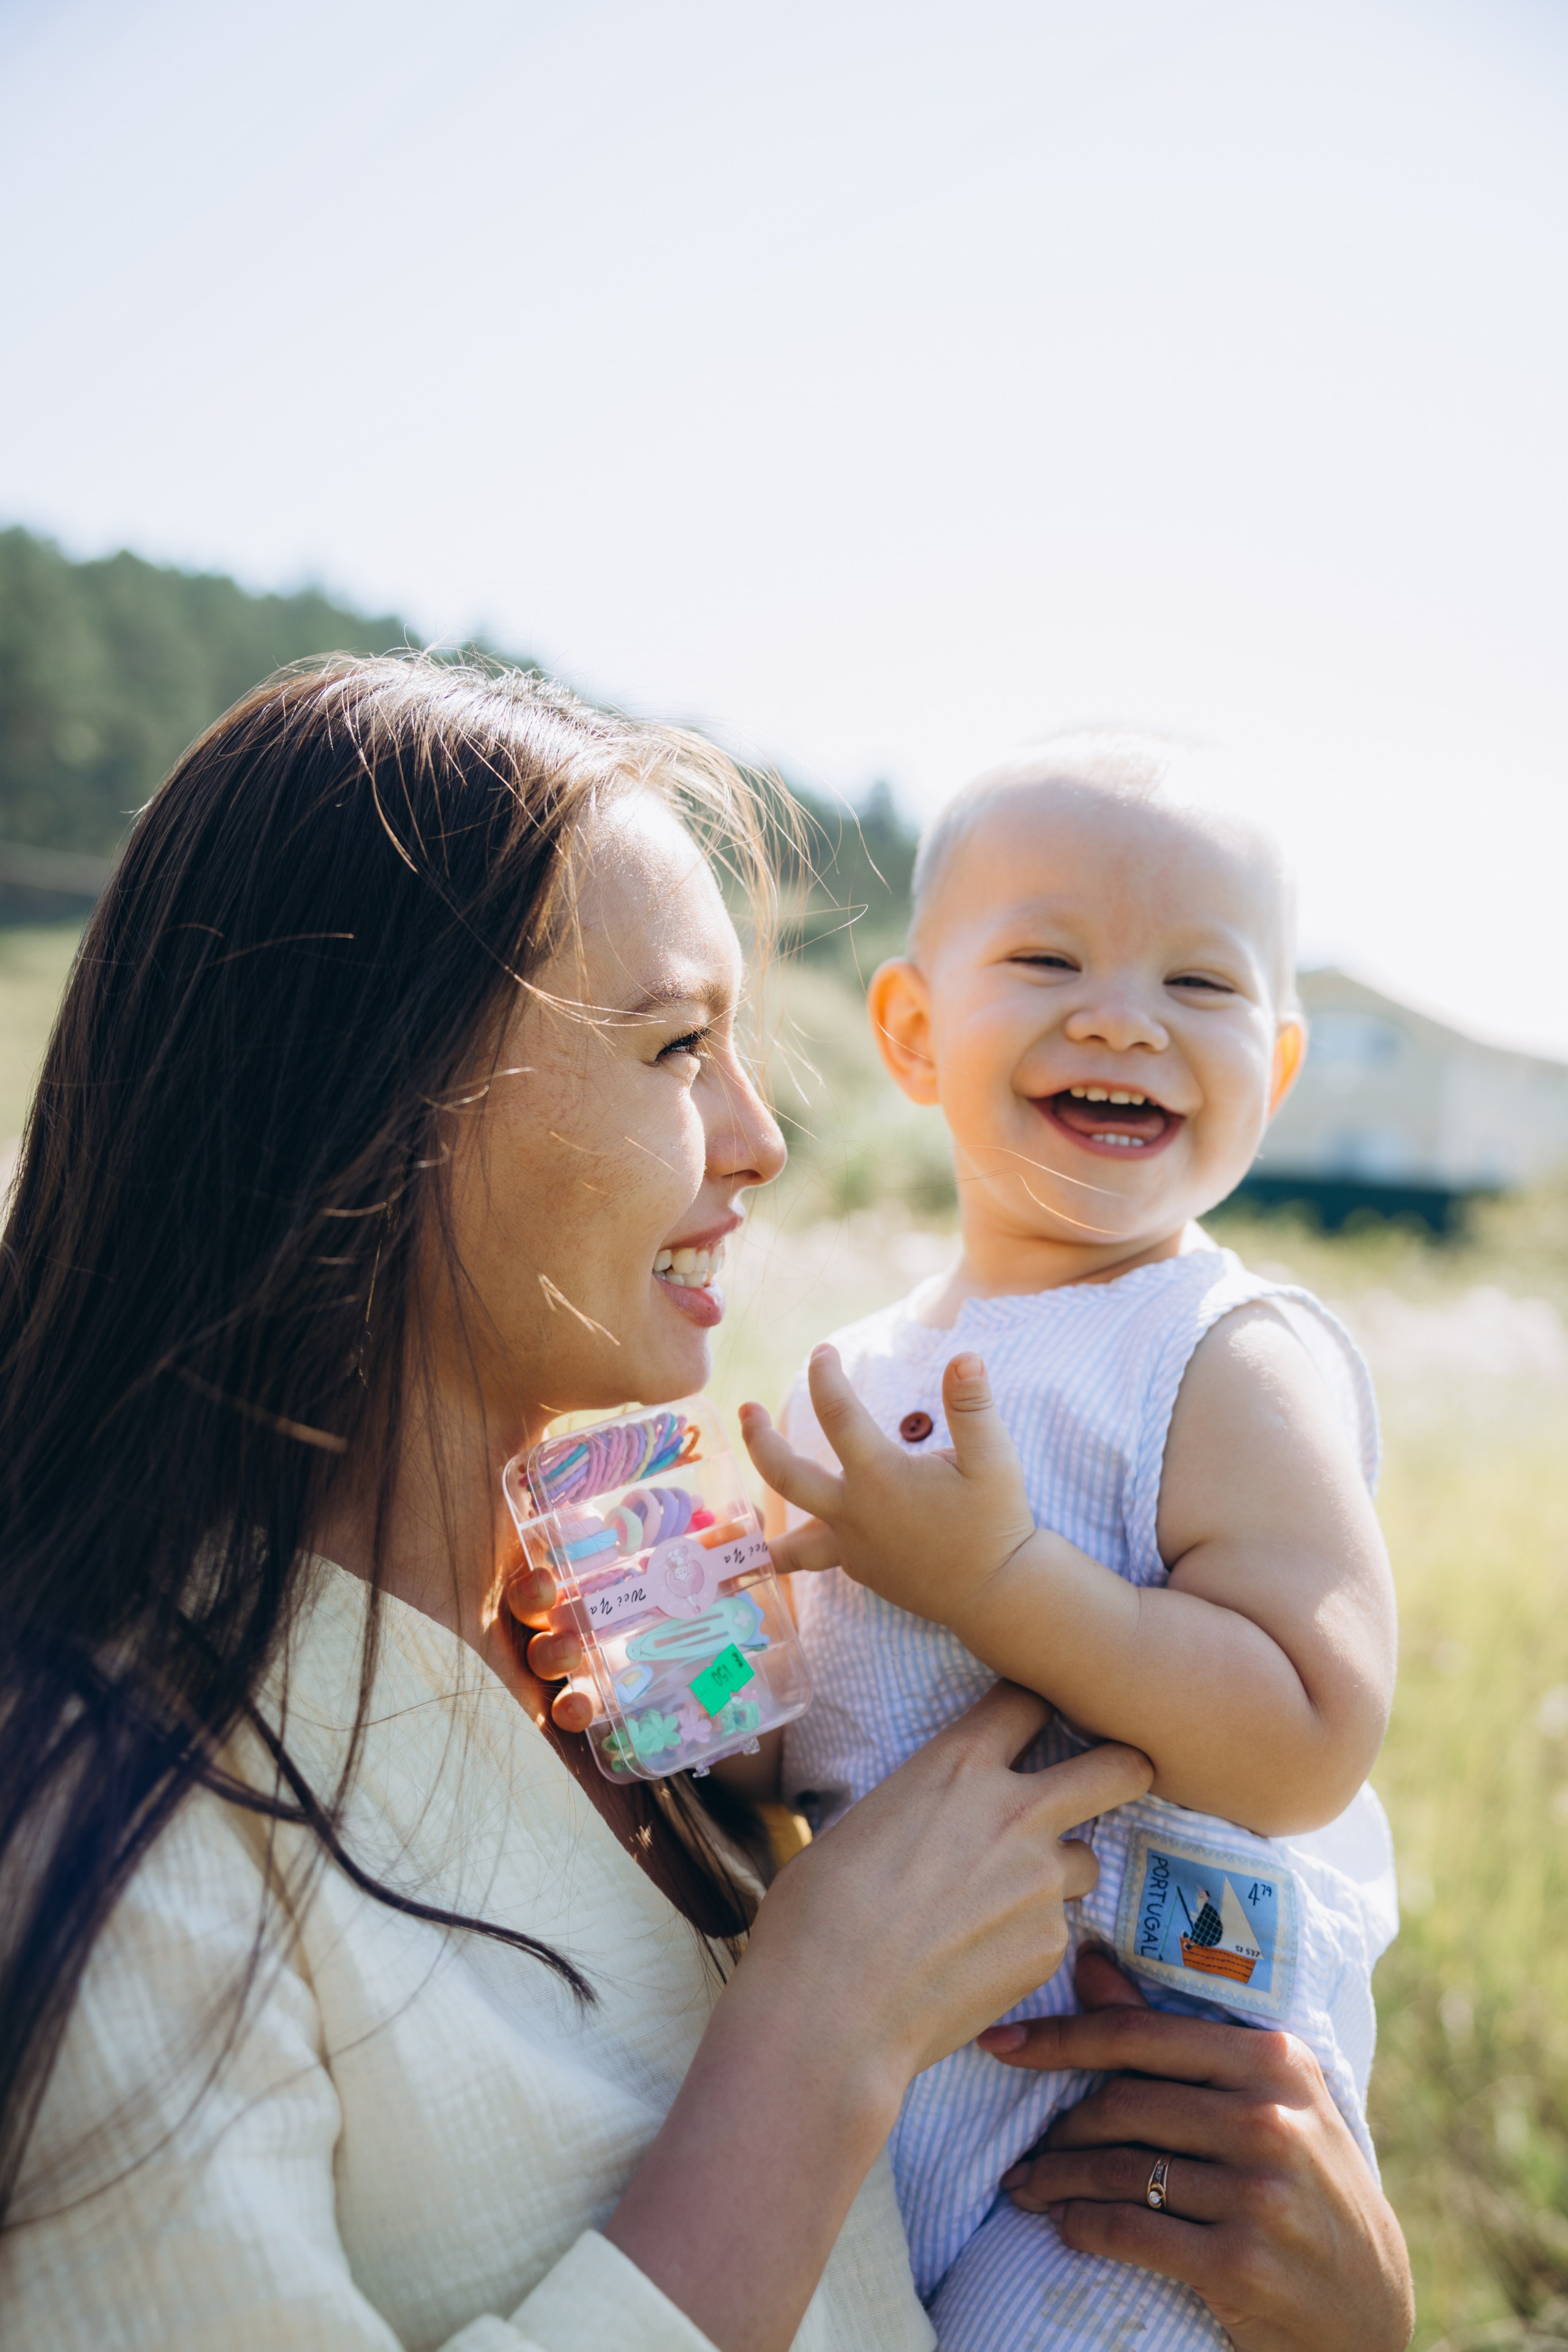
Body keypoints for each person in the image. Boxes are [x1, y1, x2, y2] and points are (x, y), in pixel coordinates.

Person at [0, 665, 1411, 2352]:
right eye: (680, 1046)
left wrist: (1344, 2313)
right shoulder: (97, 1823)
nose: (760, 1137)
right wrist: (815, 2037)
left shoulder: (606, 1639)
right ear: (374, 1096)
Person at [741, 732, 1402, 2348]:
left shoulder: (1220, 1352)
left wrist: (1000, 1585)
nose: (1124, 1017)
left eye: (1203, 985)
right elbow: (830, 1721)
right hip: (929, 2093)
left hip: (1153, 2114)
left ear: (1281, 1067)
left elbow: (1311, 1732)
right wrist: (718, 1675)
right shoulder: (879, 1366)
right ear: (911, 1030)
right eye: (1048, 959)